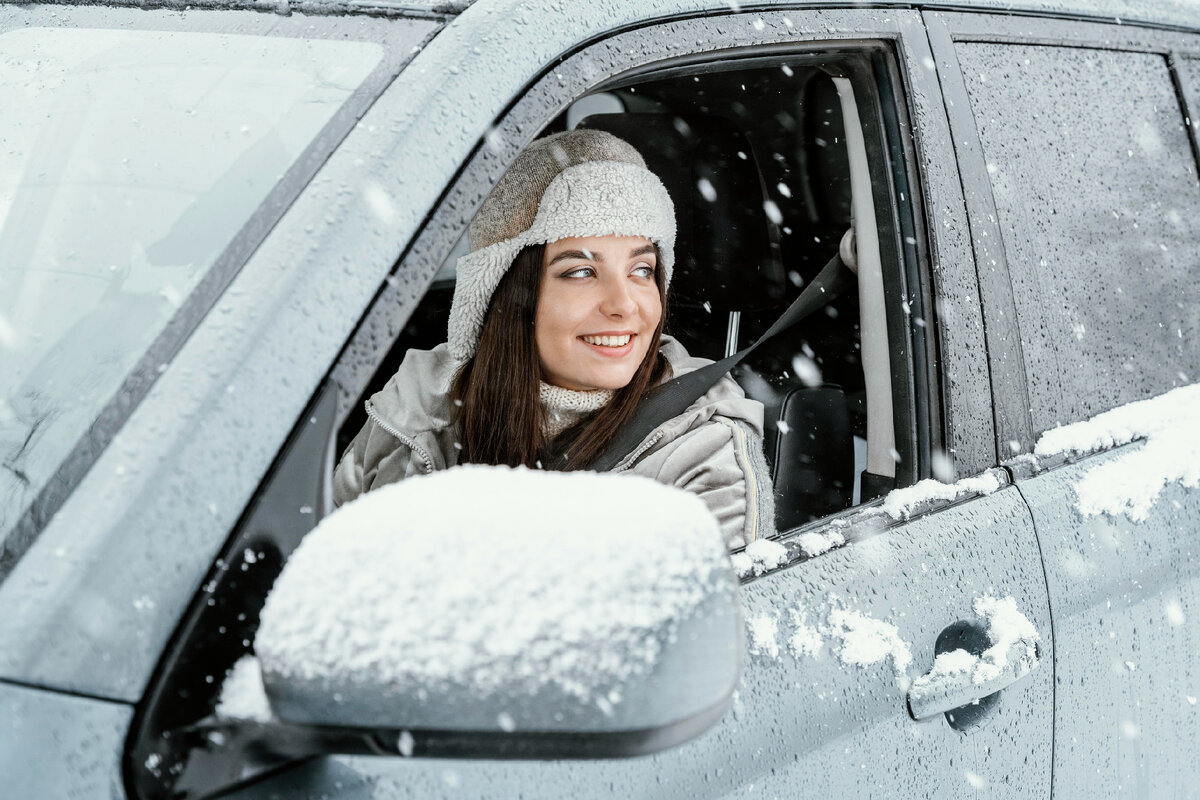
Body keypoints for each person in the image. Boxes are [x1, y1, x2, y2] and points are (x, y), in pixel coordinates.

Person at [333, 129, 774, 547]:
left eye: (642, 270)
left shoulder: (704, 450)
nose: (624, 305)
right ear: (507, 293)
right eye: (581, 271)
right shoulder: (420, 406)